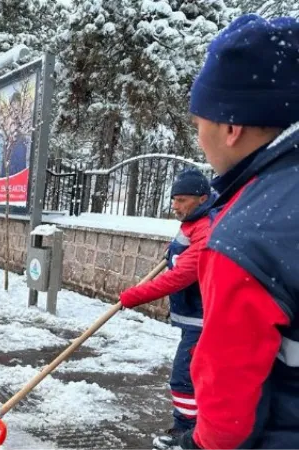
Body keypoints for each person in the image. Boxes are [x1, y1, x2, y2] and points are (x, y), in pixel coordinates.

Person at [175, 14, 299, 450]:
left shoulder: (244, 236)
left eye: (198, 124)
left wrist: (201, 443)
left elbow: (227, 417)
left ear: (231, 128)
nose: (199, 136)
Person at [117, 169, 214, 450]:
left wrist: (132, 296)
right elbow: (180, 250)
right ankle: (196, 431)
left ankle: (186, 433)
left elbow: (178, 277)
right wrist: (171, 252)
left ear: (202, 198)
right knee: (194, 377)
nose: (175, 206)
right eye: (174, 199)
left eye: (181, 199)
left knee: (184, 378)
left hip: (203, 320)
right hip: (194, 318)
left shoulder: (206, 230)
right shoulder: (193, 221)